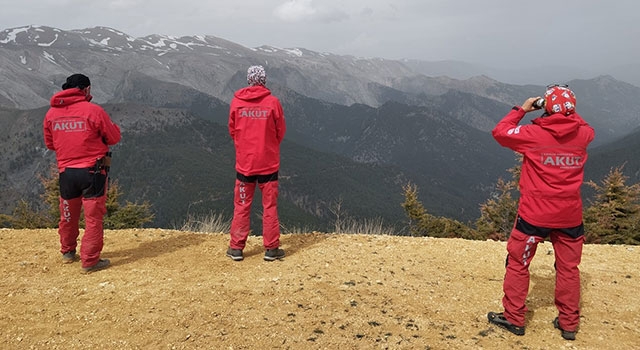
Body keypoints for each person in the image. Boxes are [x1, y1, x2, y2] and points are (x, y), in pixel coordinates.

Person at [487, 85, 594, 340]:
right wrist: (567, 111)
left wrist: (522, 109)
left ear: (546, 107)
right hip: (569, 215)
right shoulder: (584, 134)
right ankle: (569, 324)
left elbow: (500, 132)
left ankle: (514, 318)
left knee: (518, 263)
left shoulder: (534, 134)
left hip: (534, 215)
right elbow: (582, 124)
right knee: (568, 268)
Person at [43, 73, 121, 273]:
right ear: (86, 89)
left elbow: (50, 144)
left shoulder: (51, 114)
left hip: (66, 172)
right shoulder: (93, 111)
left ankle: (67, 252)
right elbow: (113, 138)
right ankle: (90, 261)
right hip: (92, 172)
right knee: (93, 218)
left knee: (68, 214)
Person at [226, 65, 286, 262]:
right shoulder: (273, 102)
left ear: (248, 79)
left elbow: (232, 130)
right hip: (268, 164)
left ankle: (236, 248)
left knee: (242, 204)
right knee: (269, 206)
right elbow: (280, 131)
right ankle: (271, 249)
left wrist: (243, 146)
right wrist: (269, 145)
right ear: (264, 80)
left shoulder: (237, 102)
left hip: (245, 164)